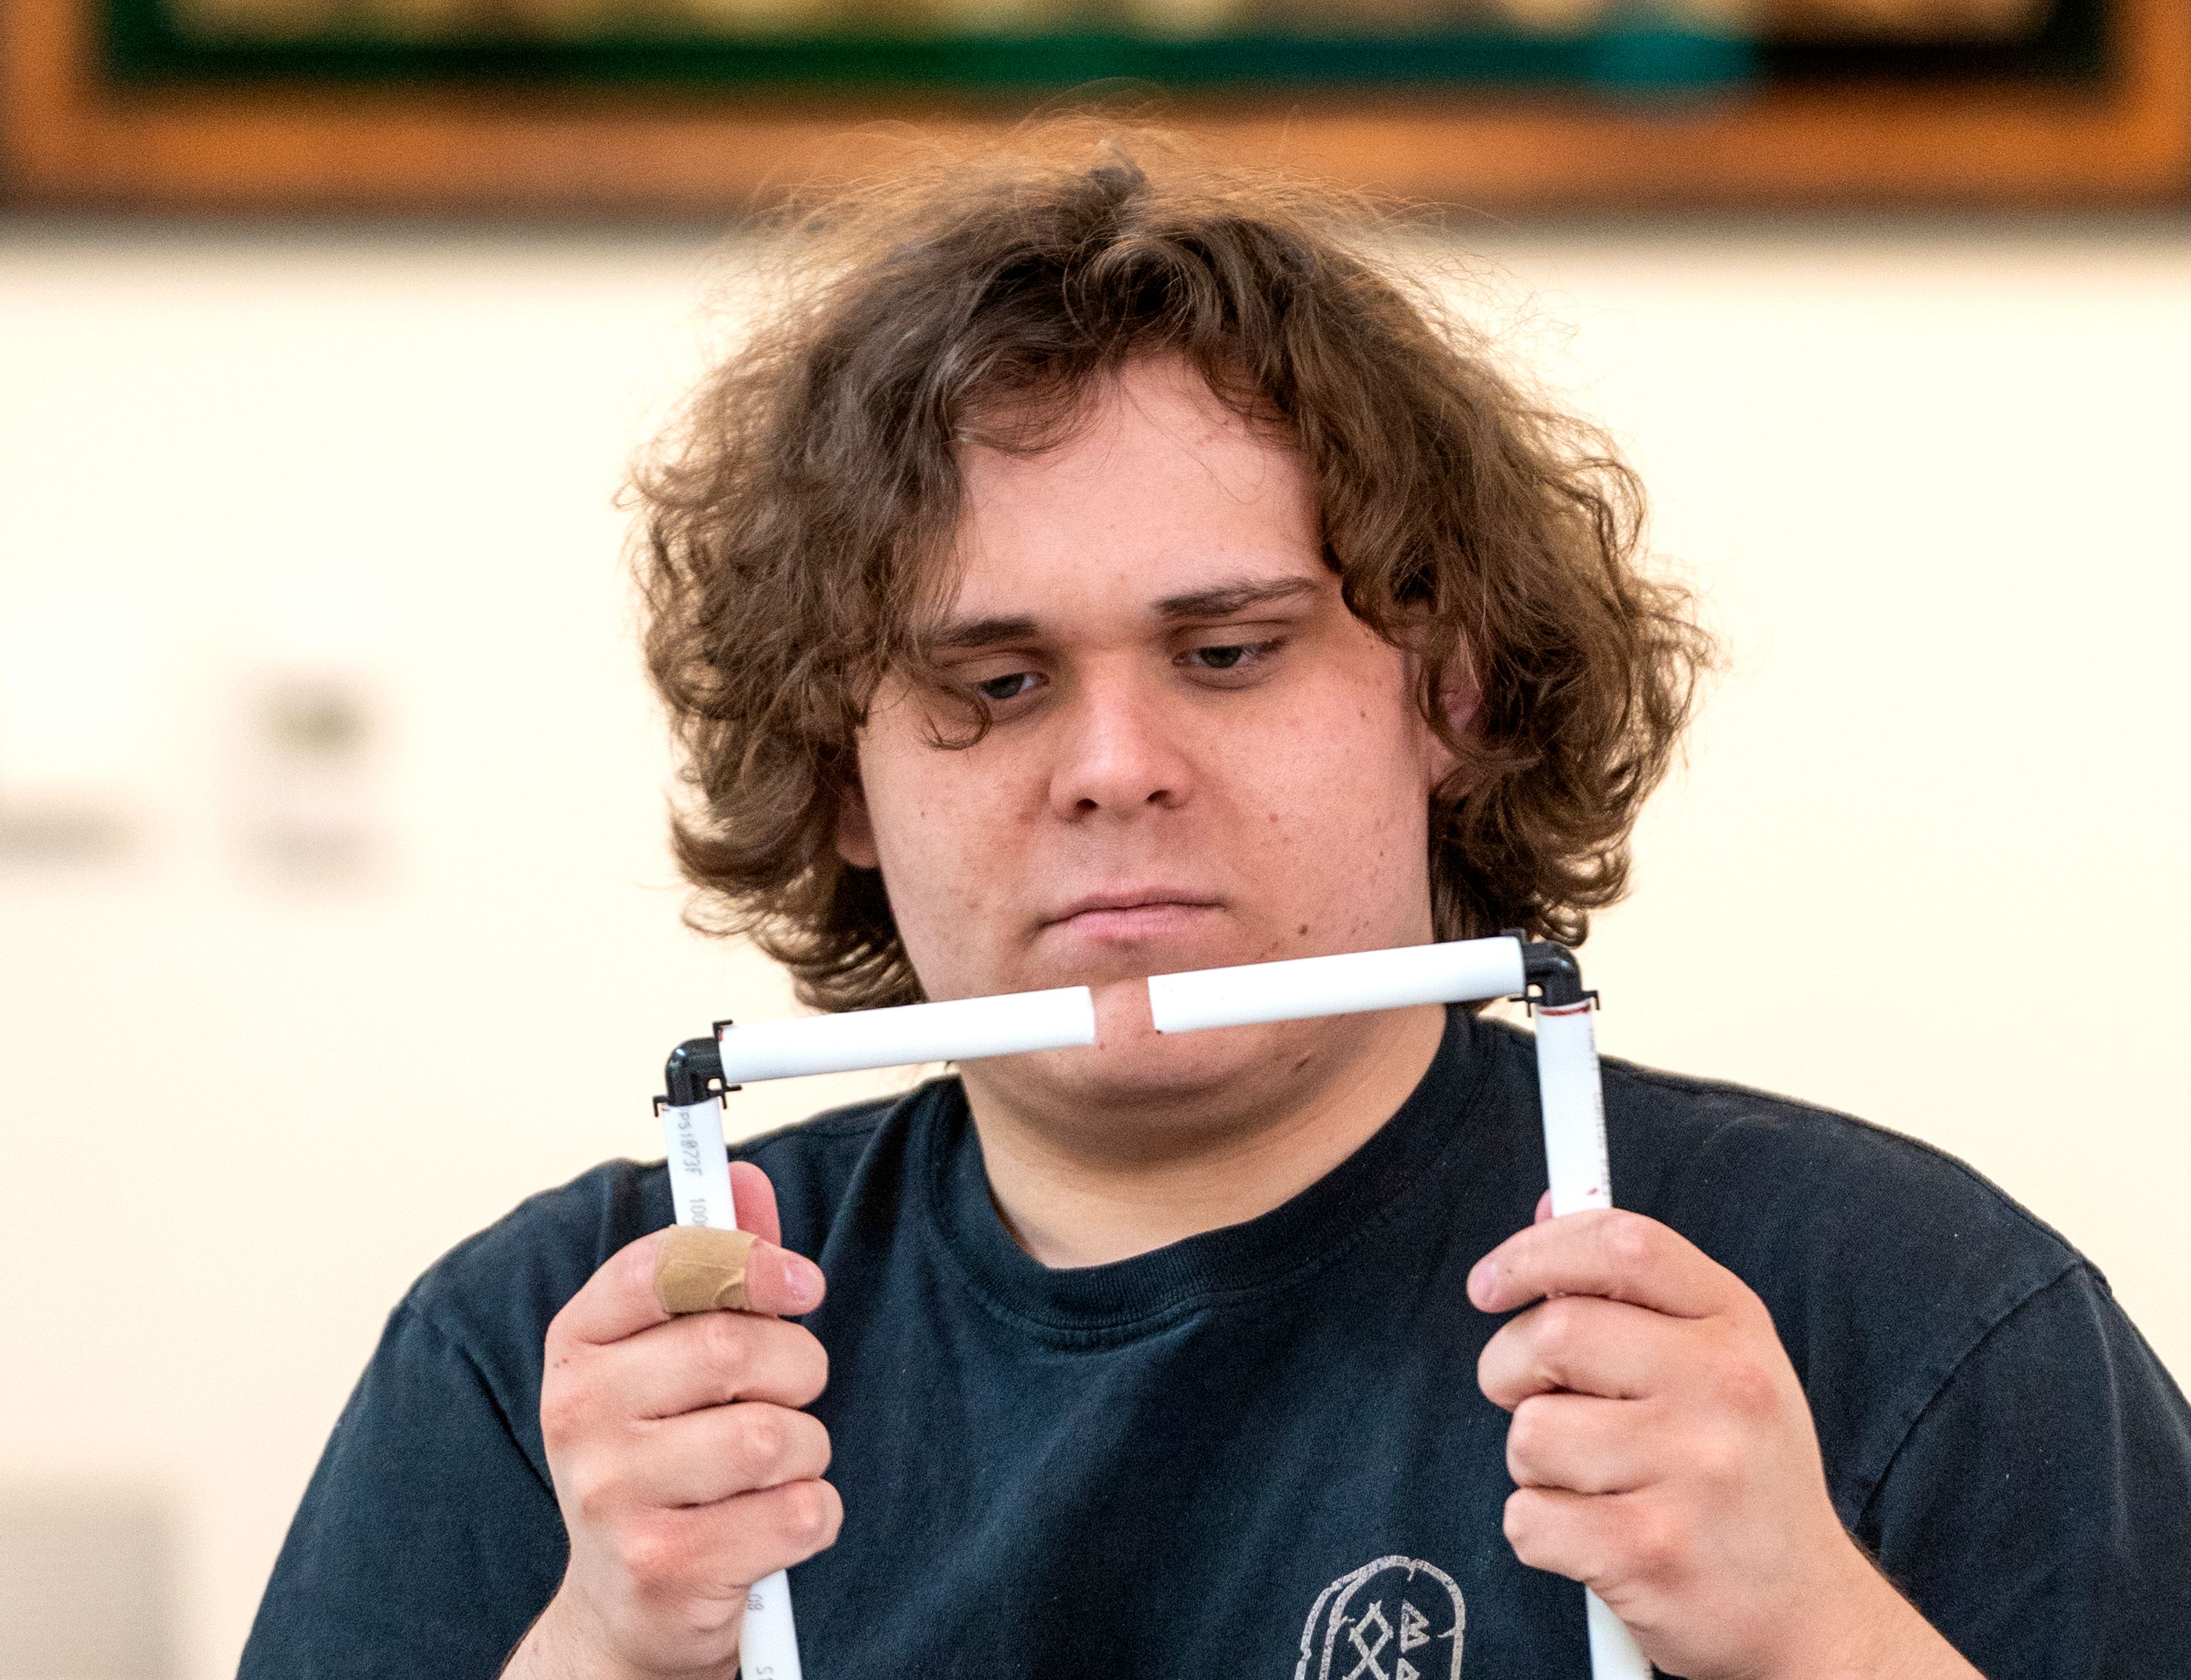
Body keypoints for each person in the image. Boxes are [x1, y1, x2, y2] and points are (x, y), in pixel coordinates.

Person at [241, 143, 2191, 1680]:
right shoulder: (565, 1367)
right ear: (842, 777)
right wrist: (600, 1649)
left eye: (1231, 650)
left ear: (1450, 690)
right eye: (991, 684)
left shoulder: (1907, 1317)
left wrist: (1823, 1641)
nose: (1112, 762)